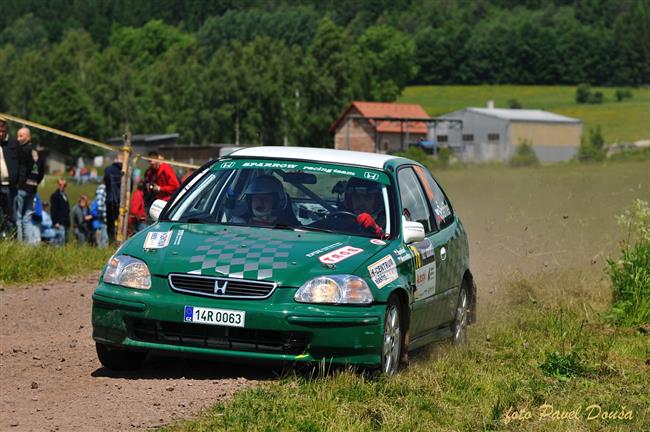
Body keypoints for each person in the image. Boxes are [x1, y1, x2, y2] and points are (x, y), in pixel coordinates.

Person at [14, 128, 44, 243]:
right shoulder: (37, 151)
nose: (18, 139)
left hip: (22, 188)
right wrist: (35, 183)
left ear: (28, 137)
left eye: (21, 136)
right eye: (18, 136)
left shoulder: (23, 150)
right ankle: (30, 246)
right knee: (27, 218)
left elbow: (21, 170)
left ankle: (20, 245)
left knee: (18, 217)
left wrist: (18, 184)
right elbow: (41, 172)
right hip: (33, 189)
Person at [232, 175, 298, 226]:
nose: (260, 201)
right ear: (249, 201)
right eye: (257, 197)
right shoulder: (236, 224)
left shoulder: (287, 229)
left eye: (266, 198)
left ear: (277, 202)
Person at [0, 117, 19, 238]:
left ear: (5, 128)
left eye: (1, 130)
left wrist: (19, 181)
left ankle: (12, 239)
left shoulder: (13, 144)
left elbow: (22, 164)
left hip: (11, 187)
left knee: (12, 216)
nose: (0, 133)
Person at [103, 156, 123, 243]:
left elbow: (106, 182)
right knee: (121, 223)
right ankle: (120, 241)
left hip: (110, 199)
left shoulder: (108, 169)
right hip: (122, 201)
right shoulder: (127, 170)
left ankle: (111, 241)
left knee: (111, 224)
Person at [49, 178, 70, 245]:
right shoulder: (55, 195)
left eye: (64, 185)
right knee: (59, 243)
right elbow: (53, 209)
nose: (62, 186)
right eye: (60, 184)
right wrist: (55, 222)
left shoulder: (64, 195)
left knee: (64, 242)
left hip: (65, 222)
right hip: (59, 223)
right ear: (58, 185)